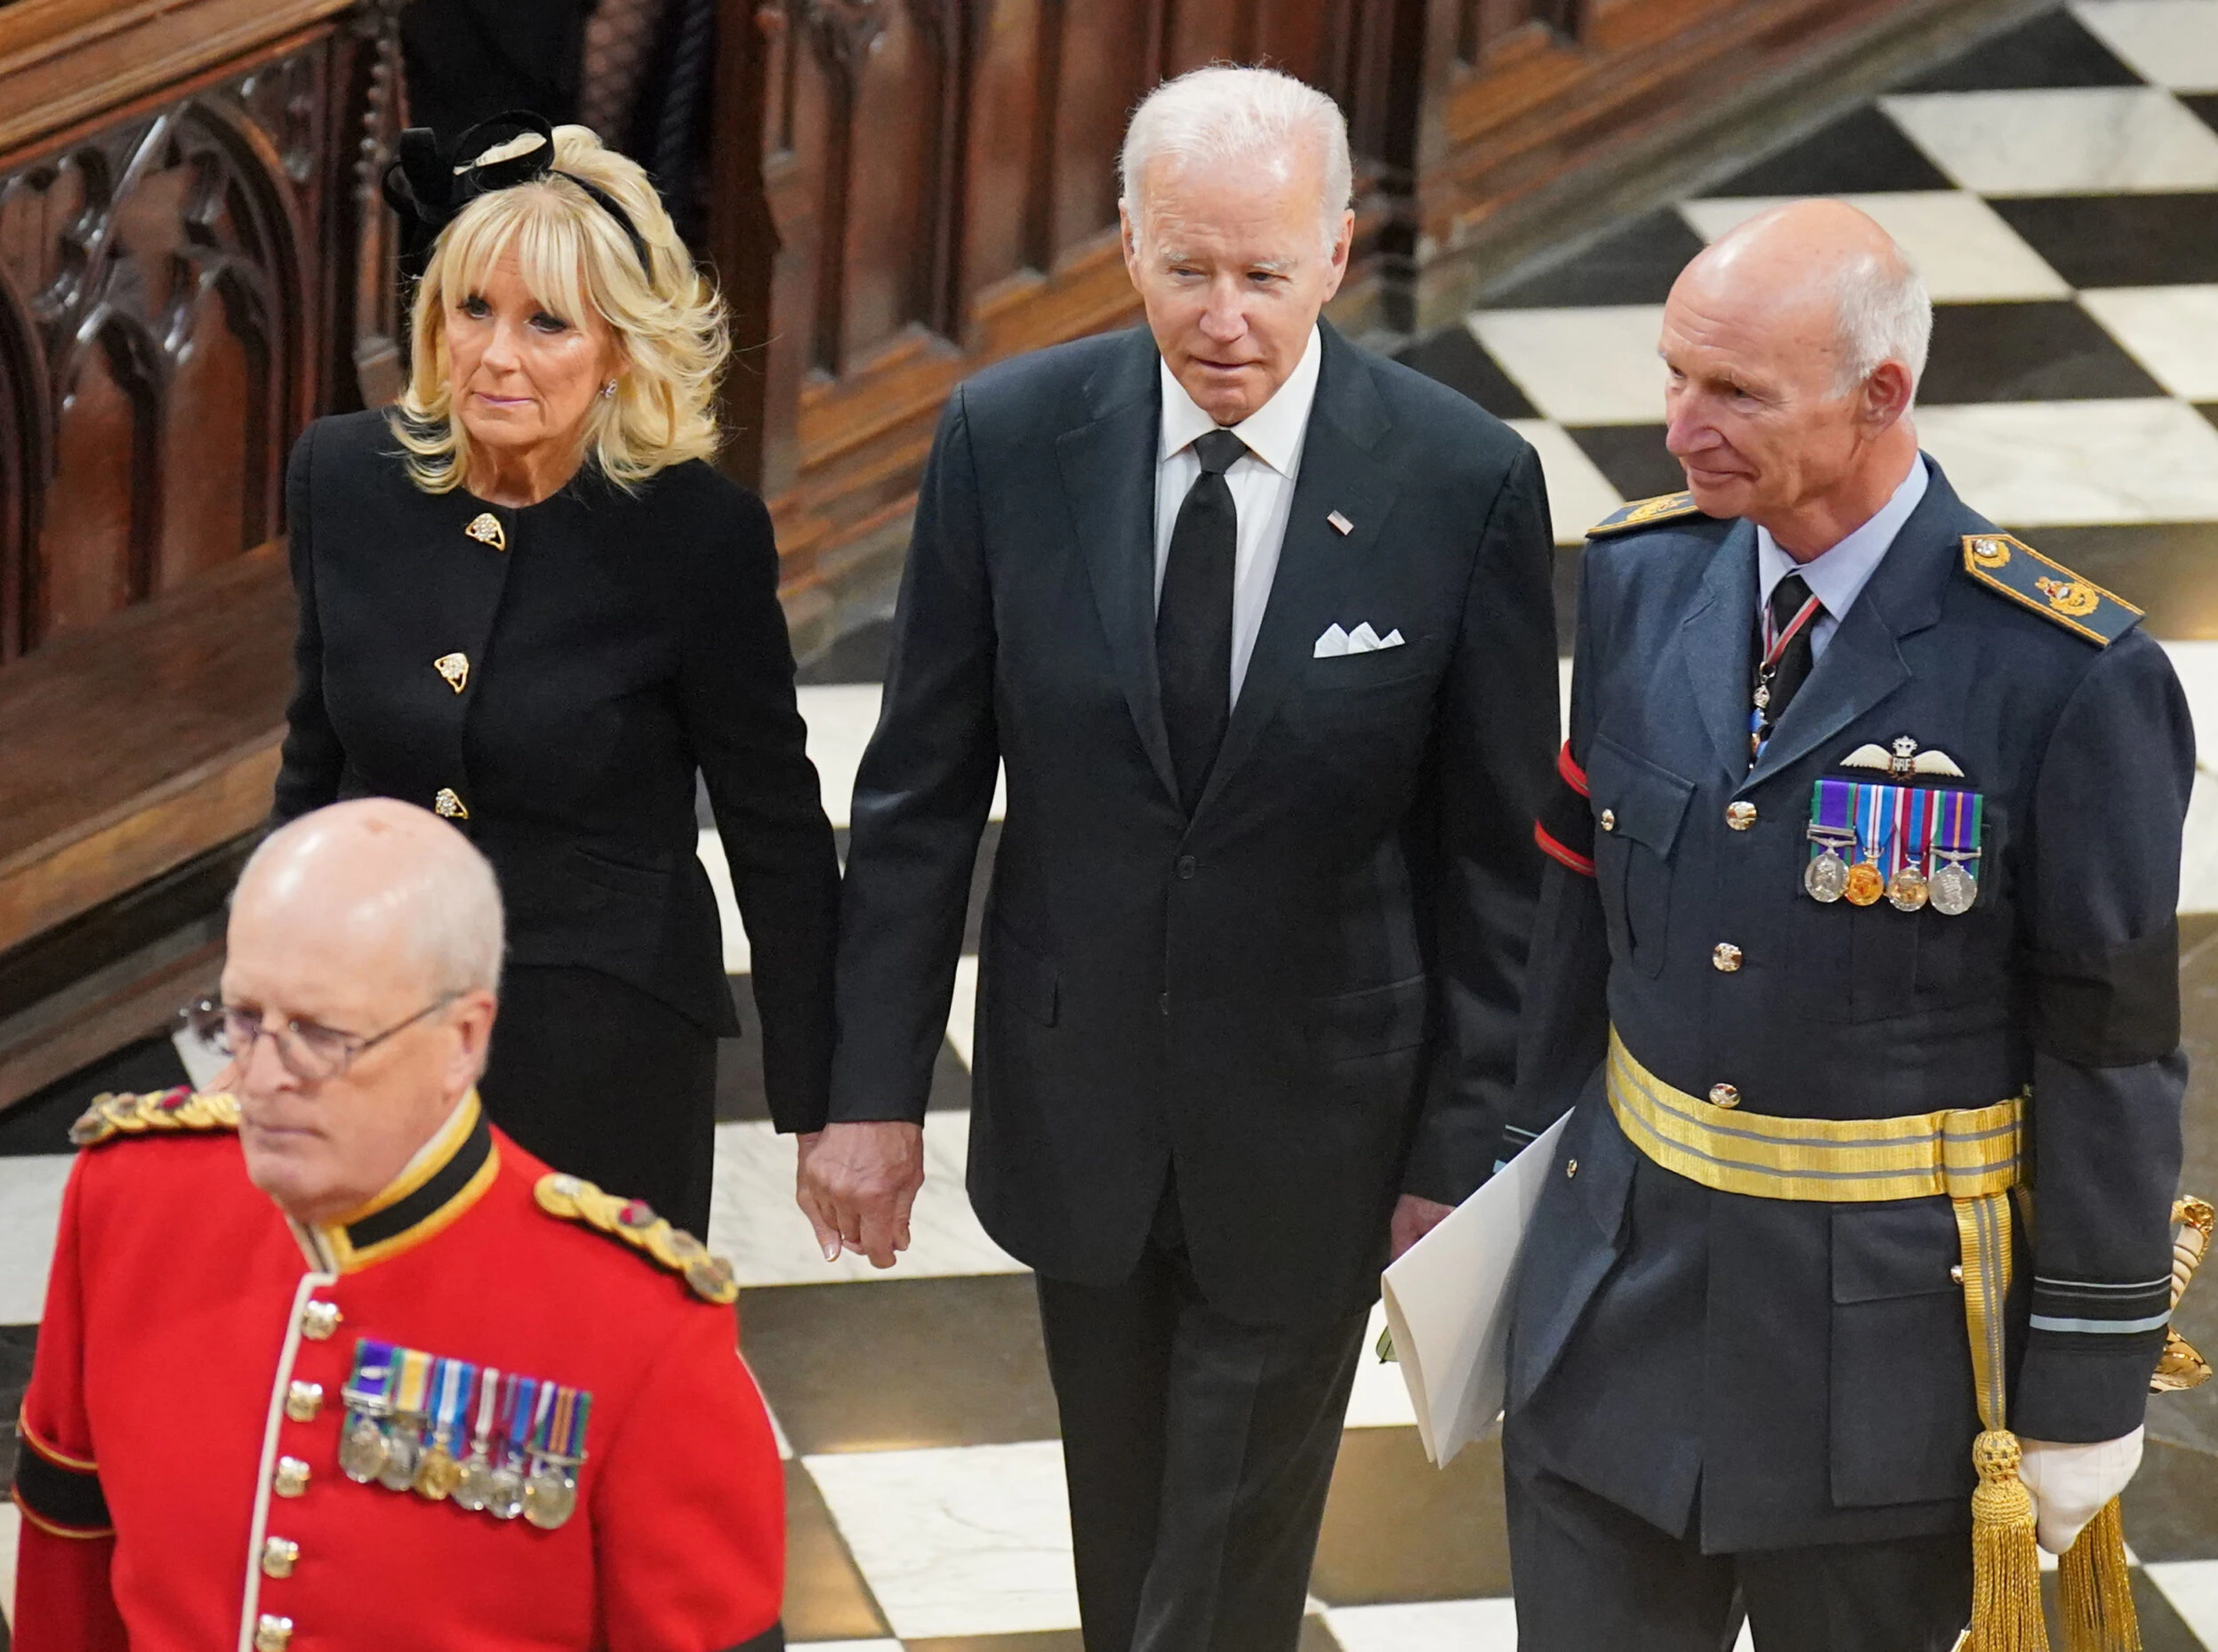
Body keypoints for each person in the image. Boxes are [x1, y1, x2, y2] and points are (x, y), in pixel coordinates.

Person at [800, 65, 1562, 1652]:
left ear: (1339, 254)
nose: (1225, 316)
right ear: (1129, 244)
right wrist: (869, 1095)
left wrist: (1458, 1150)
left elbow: (1498, 863)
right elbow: (921, 793)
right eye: (1187, 268)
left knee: (1218, 1557)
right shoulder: (1005, 441)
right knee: (1130, 1522)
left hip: (1323, 1128)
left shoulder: (1458, 479)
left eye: (1265, 274)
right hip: (1079, 1110)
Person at [1500, 200, 2190, 1651]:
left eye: (1735, 391)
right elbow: (1579, 921)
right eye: (1675, 373)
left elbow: (2110, 1046)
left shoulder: (2060, 673)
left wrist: (2088, 1378)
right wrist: (1503, 1197)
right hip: (1613, 1308)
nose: (1680, 425)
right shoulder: (1641, 579)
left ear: (1882, 395)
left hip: (1881, 1371)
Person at [7, 798, 784, 1651]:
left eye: (319, 1036)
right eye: (241, 1020)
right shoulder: (131, 1200)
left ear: (462, 1038)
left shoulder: (640, 1331)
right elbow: (68, 1553)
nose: (259, 1078)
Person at [271, 115, 839, 1238]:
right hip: (374, 1029)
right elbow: (311, 762)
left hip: (603, 1043)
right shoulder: (343, 477)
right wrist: (267, 1008)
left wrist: (832, 1103)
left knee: (574, 1391)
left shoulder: (695, 538)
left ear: (620, 347)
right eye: (472, 309)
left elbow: (776, 827)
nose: (497, 354)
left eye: (547, 324)